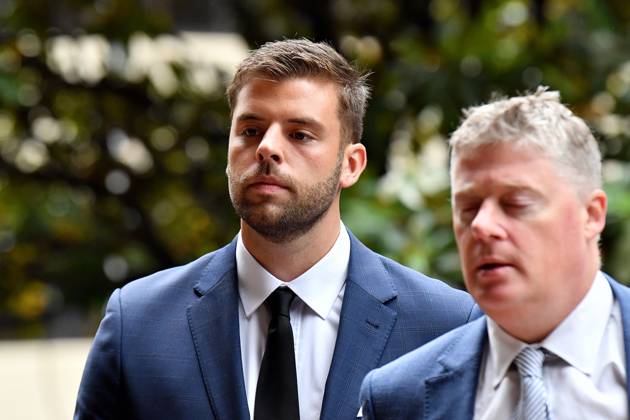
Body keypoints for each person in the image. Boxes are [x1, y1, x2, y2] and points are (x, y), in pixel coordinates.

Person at [74, 39, 477, 420]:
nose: (267, 147)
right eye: (250, 131)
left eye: (300, 134)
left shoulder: (446, 326)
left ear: (351, 165)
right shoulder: (139, 324)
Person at [360, 87, 630, 420]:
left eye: (516, 204)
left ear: (591, 215)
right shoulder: (397, 399)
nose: (482, 226)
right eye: (468, 208)